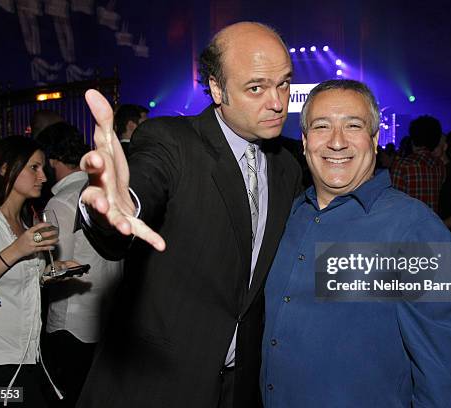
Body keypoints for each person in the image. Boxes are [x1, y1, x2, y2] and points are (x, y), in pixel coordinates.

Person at [77, 22, 301, 407]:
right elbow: (143, 183)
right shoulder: (171, 141)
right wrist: (115, 208)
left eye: (283, 83)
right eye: (256, 88)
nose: (278, 101)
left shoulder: (288, 166)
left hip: (238, 387)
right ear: (217, 89)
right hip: (153, 384)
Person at [261, 80, 451, 407]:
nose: (337, 142)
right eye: (321, 126)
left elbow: (441, 372)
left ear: (375, 141)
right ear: (304, 142)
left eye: (353, 126)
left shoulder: (412, 228)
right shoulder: (288, 218)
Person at [0, 136, 76, 407]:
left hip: (28, 358)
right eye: (34, 167)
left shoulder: (25, 222)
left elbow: (12, 283)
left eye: (43, 168)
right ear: (5, 168)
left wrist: (49, 273)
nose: (43, 177)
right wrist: (16, 250)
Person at [36, 123, 124, 407]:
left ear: (52, 161)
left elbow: (57, 268)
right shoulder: (105, 190)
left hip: (71, 322)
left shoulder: (59, 202)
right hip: (107, 316)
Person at [390, 115, 446, 213]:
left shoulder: (403, 165)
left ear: (413, 137)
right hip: (433, 223)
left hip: (409, 223)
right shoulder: (439, 165)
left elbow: (395, 201)